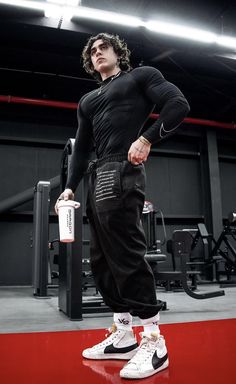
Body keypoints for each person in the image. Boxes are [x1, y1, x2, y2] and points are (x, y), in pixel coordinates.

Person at [55, 32, 190, 379]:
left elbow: (178, 104)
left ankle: (155, 341)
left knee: (126, 254)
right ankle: (124, 334)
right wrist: (69, 188)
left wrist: (146, 138)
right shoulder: (87, 100)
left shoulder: (140, 77)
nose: (98, 53)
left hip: (124, 168)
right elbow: (82, 149)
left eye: (104, 48)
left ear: (118, 53)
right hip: (97, 174)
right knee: (102, 259)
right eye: (93, 51)